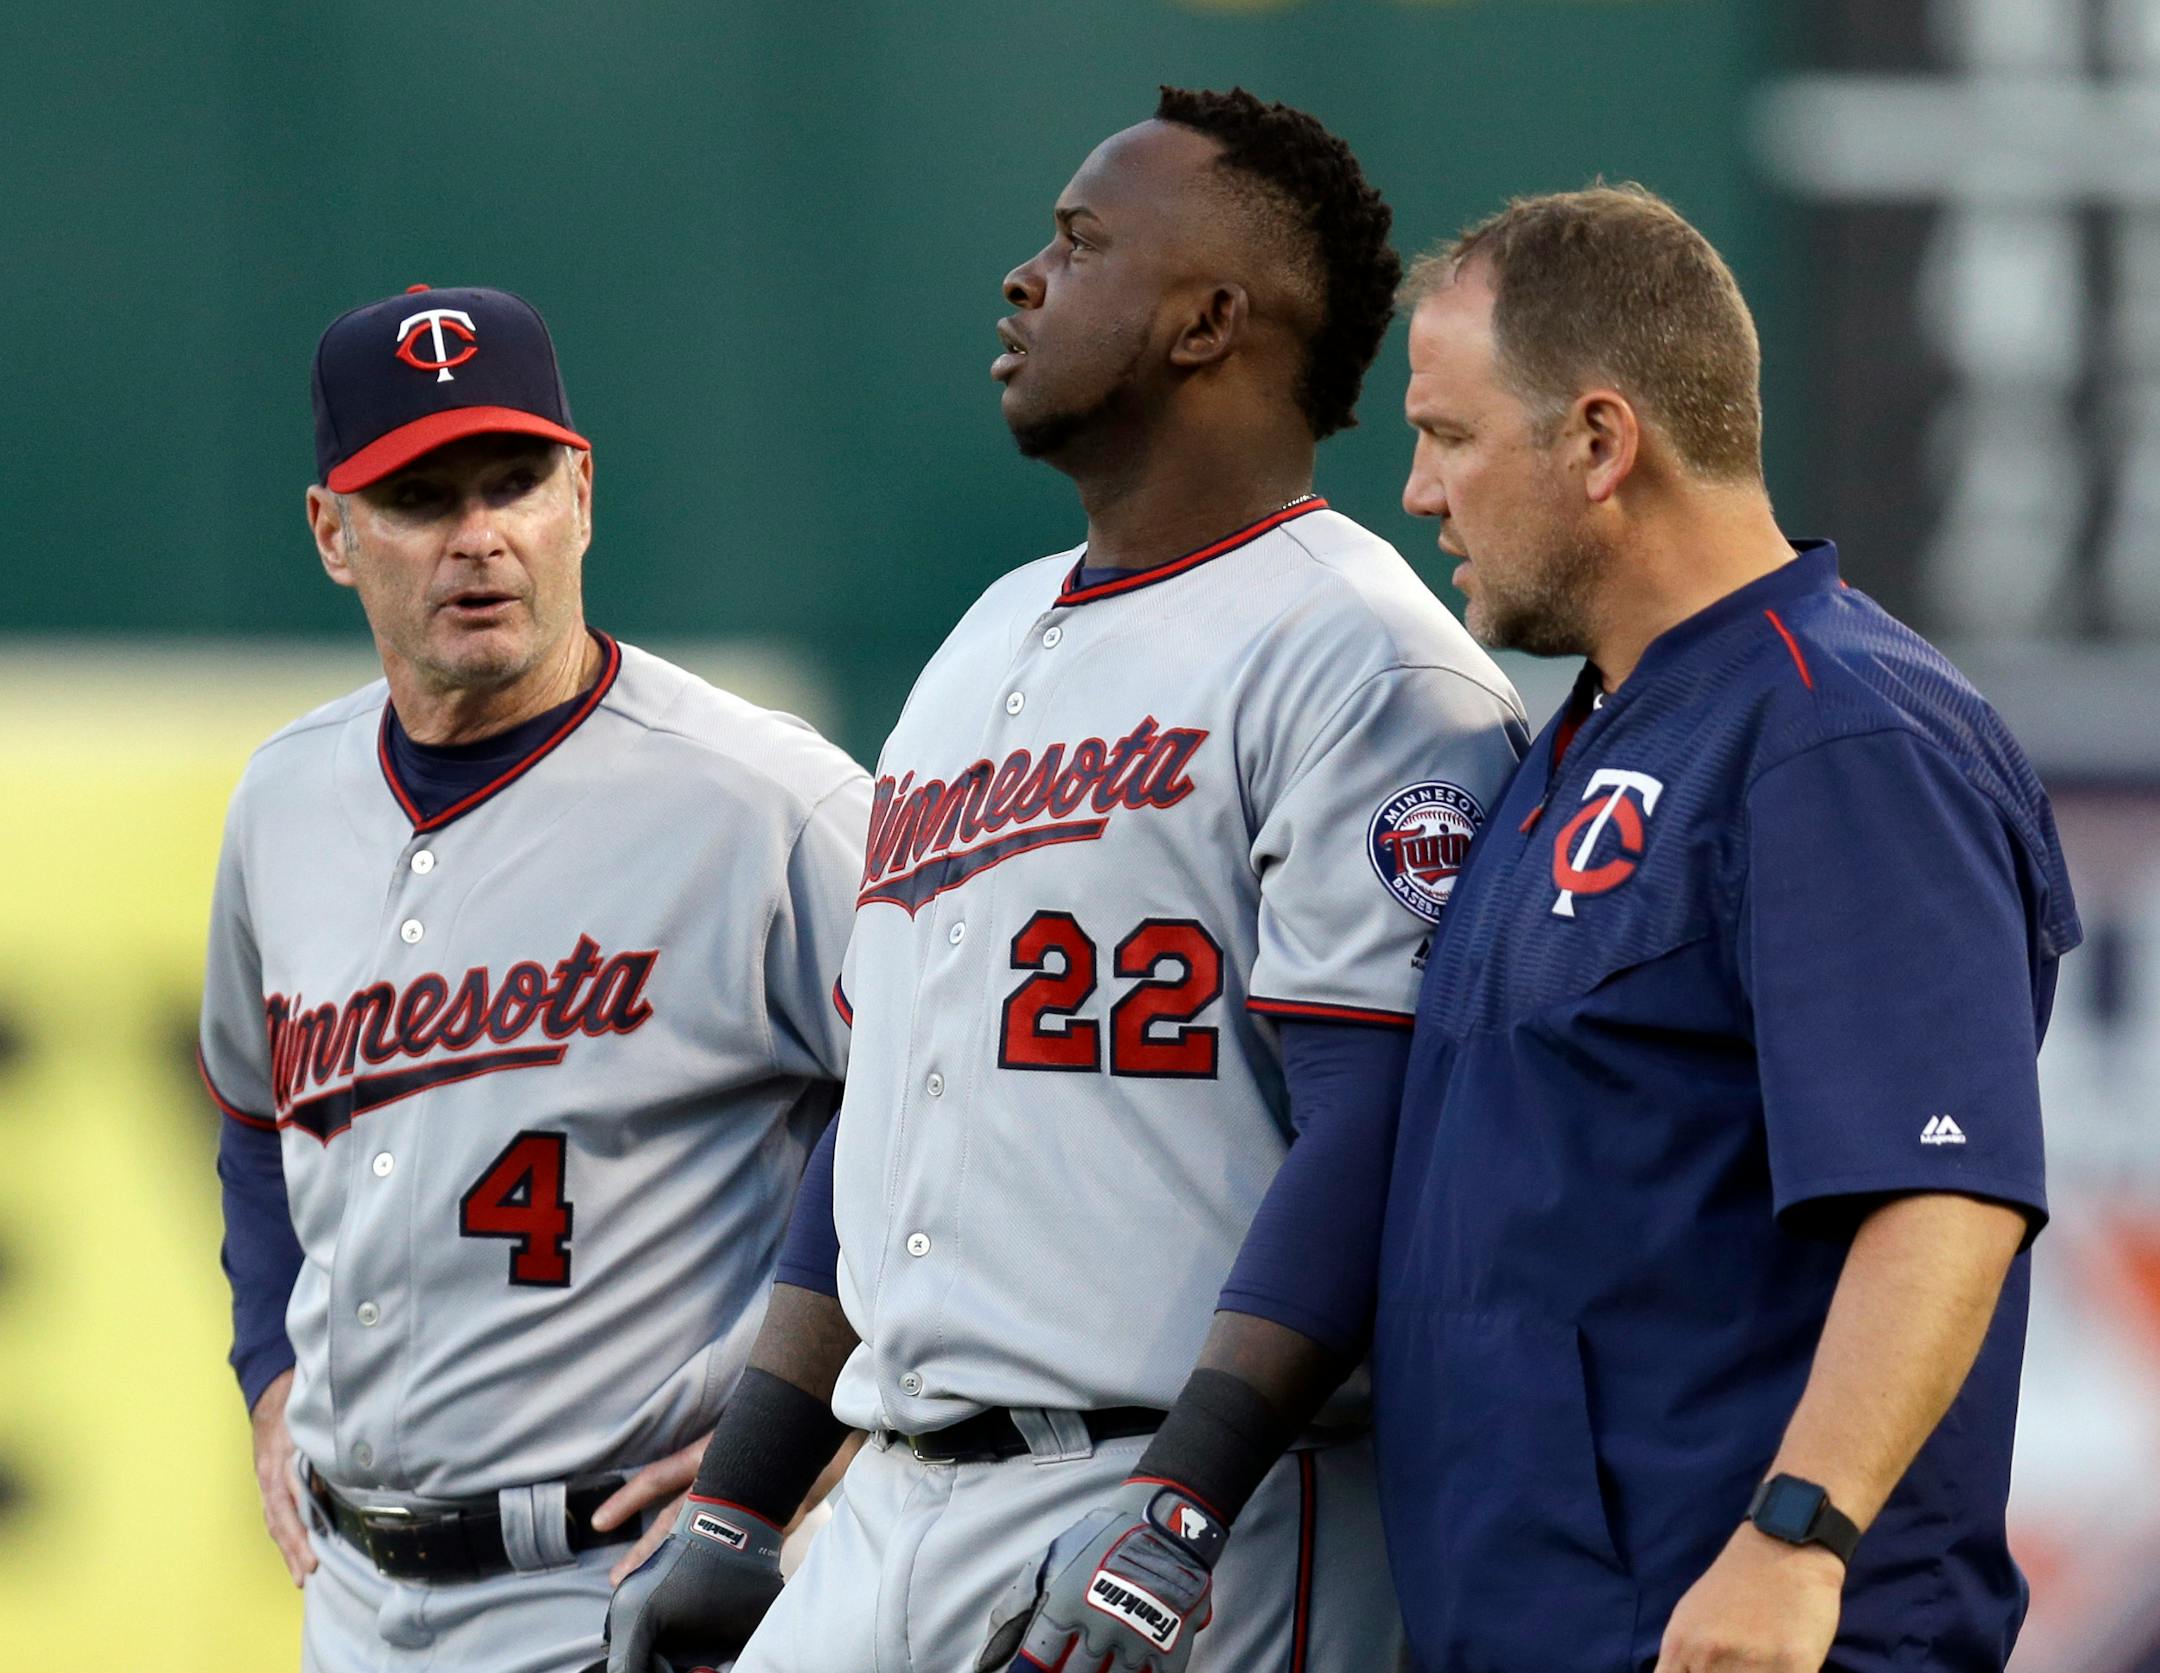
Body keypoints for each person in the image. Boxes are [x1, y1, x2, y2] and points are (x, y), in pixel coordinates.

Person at [602, 88, 1526, 1673]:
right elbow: (884, 1105)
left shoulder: (1362, 657)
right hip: (893, 1493)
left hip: (1179, 1495)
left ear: (1207, 321)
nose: (1025, 277)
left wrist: (1181, 1502)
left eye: (1082, 243)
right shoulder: (987, 636)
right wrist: (742, 1498)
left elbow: (1376, 1128)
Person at [1369, 187, 2078, 1669]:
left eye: (1447, 434)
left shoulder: (1841, 731)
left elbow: (1942, 1195)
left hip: (1754, 1634)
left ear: (1600, 440)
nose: (1421, 492)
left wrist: (1799, 1536)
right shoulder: (1582, 741)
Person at [199, 283, 869, 1672]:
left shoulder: (764, 800)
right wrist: (268, 1364)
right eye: (419, 496)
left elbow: (956, 1107)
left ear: (582, 492)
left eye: (514, 480)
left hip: (628, 1587)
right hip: (354, 1595)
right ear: (333, 533)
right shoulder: (282, 802)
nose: (478, 535)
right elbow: (256, 1121)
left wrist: (822, 1432)